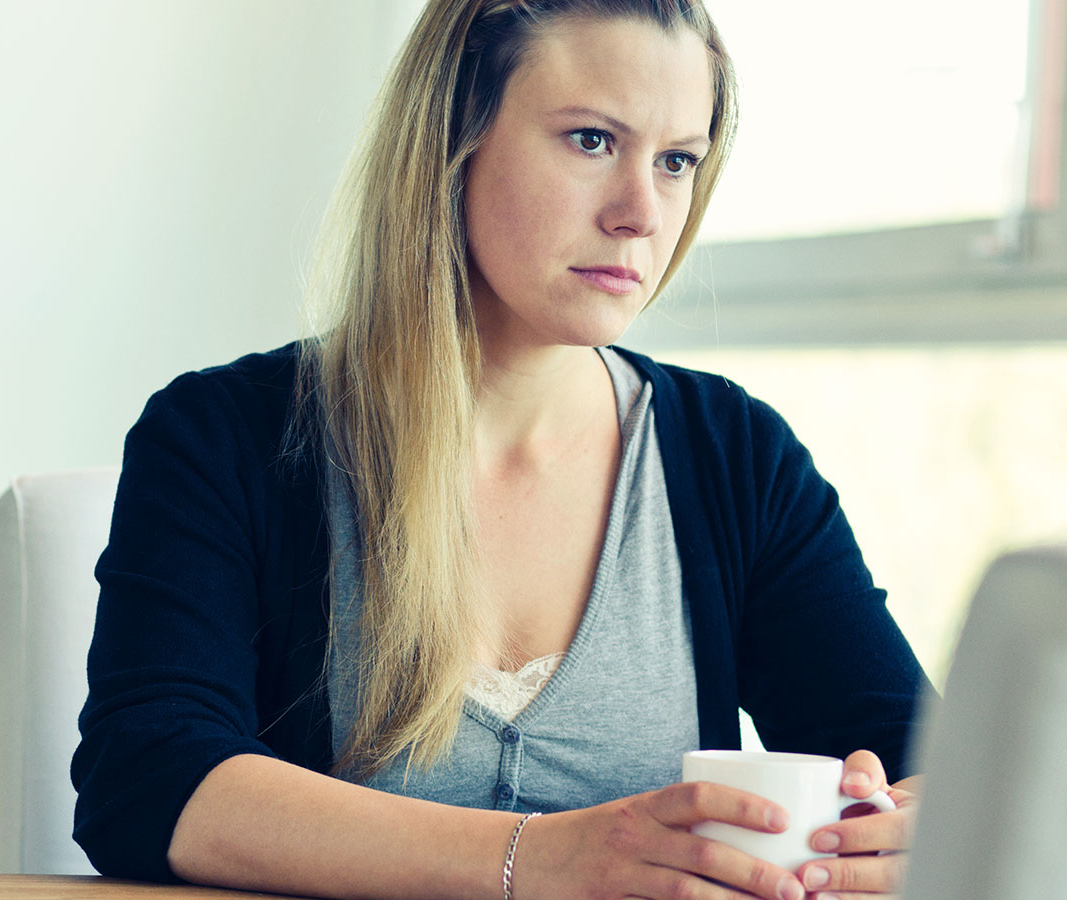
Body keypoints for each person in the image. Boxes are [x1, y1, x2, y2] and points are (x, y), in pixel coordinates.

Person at [72, 1, 933, 898]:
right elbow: (148, 779)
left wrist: (909, 832)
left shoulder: (736, 457)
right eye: (593, 140)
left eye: (678, 160)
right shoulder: (221, 437)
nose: (642, 212)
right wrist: (540, 858)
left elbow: (924, 757)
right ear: (453, 137)